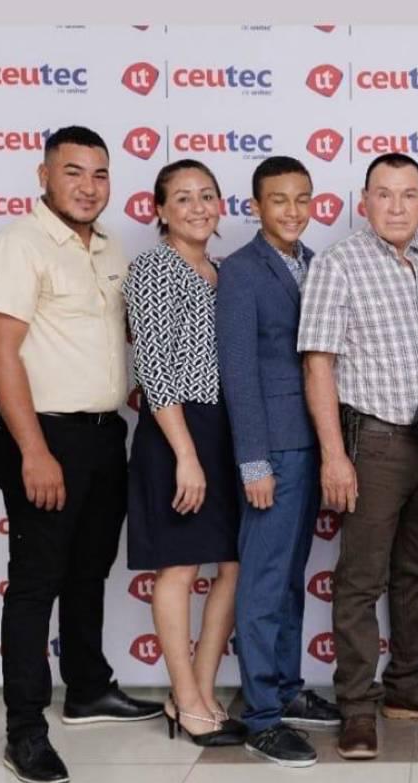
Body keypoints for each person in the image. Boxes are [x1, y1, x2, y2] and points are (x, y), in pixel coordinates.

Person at [0, 125, 163, 783]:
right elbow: (0, 351)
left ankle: (86, 686)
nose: (88, 186)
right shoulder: (19, 245)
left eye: (100, 174)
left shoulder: (110, 247)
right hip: (43, 435)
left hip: (104, 434)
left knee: (88, 570)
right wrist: (33, 449)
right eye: (74, 171)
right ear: (44, 175)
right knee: (36, 582)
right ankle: (25, 729)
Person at [298, 153, 418, 761]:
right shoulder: (339, 264)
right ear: (363, 201)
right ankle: (356, 708)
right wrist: (334, 456)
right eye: (384, 195)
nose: (397, 207)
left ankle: (409, 688)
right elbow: (318, 363)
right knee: (361, 580)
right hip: (376, 441)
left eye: (409, 195)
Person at [216, 155, 342, 767]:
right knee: (264, 581)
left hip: (312, 442)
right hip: (271, 449)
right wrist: (253, 463)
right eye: (278, 200)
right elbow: (238, 373)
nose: (292, 211)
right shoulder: (240, 271)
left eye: (302, 199)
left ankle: (287, 691)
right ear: (256, 206)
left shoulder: (317, 264)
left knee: (289, 577)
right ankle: (262, 714)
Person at [123, 159, 244, 747]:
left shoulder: (222, 271)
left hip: (224, 429)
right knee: (180, 566)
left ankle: (195, 691)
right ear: (160, 210)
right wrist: (186, 455)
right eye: (184, 198)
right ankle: (186, 698)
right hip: (176, 428)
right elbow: (153, 367)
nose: (198, 207)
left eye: (208, 196)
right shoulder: (152, 268)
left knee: (232, 564)